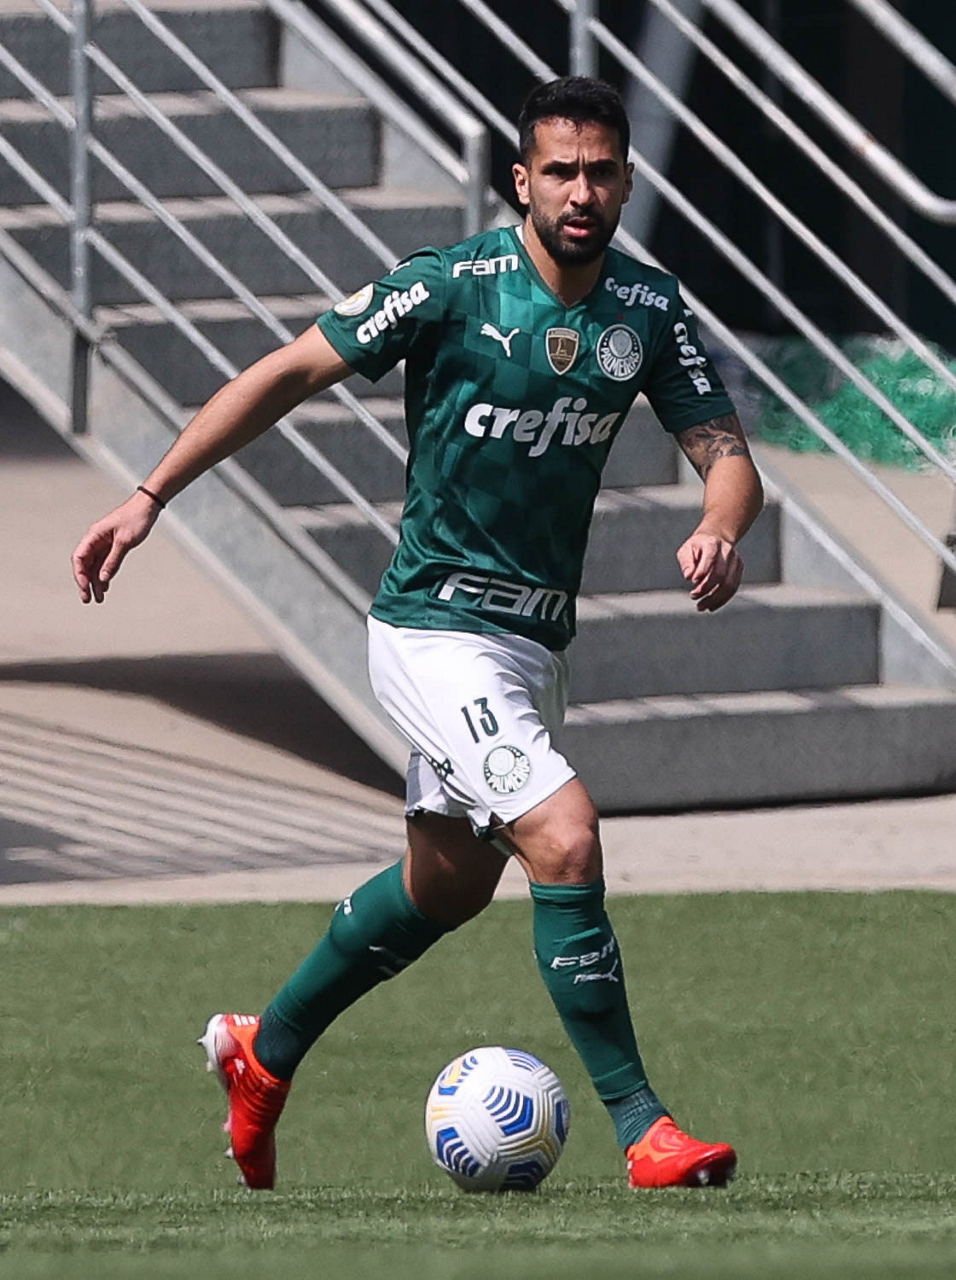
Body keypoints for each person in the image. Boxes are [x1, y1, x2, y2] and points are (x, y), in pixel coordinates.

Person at [72, 76, 763, 1191]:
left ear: (627, 182)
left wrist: (718, 528)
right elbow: (288, 371)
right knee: (565, 836)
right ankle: (646, 1129)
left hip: (532, 649)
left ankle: (261, 1050)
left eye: (601, 171)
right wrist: (150, 495)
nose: (581, 192)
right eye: (560, 171)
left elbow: (727, 457)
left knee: (445, 885)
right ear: (521, 181)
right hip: (432, 630)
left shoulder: (647, 310)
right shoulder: (450, 286)